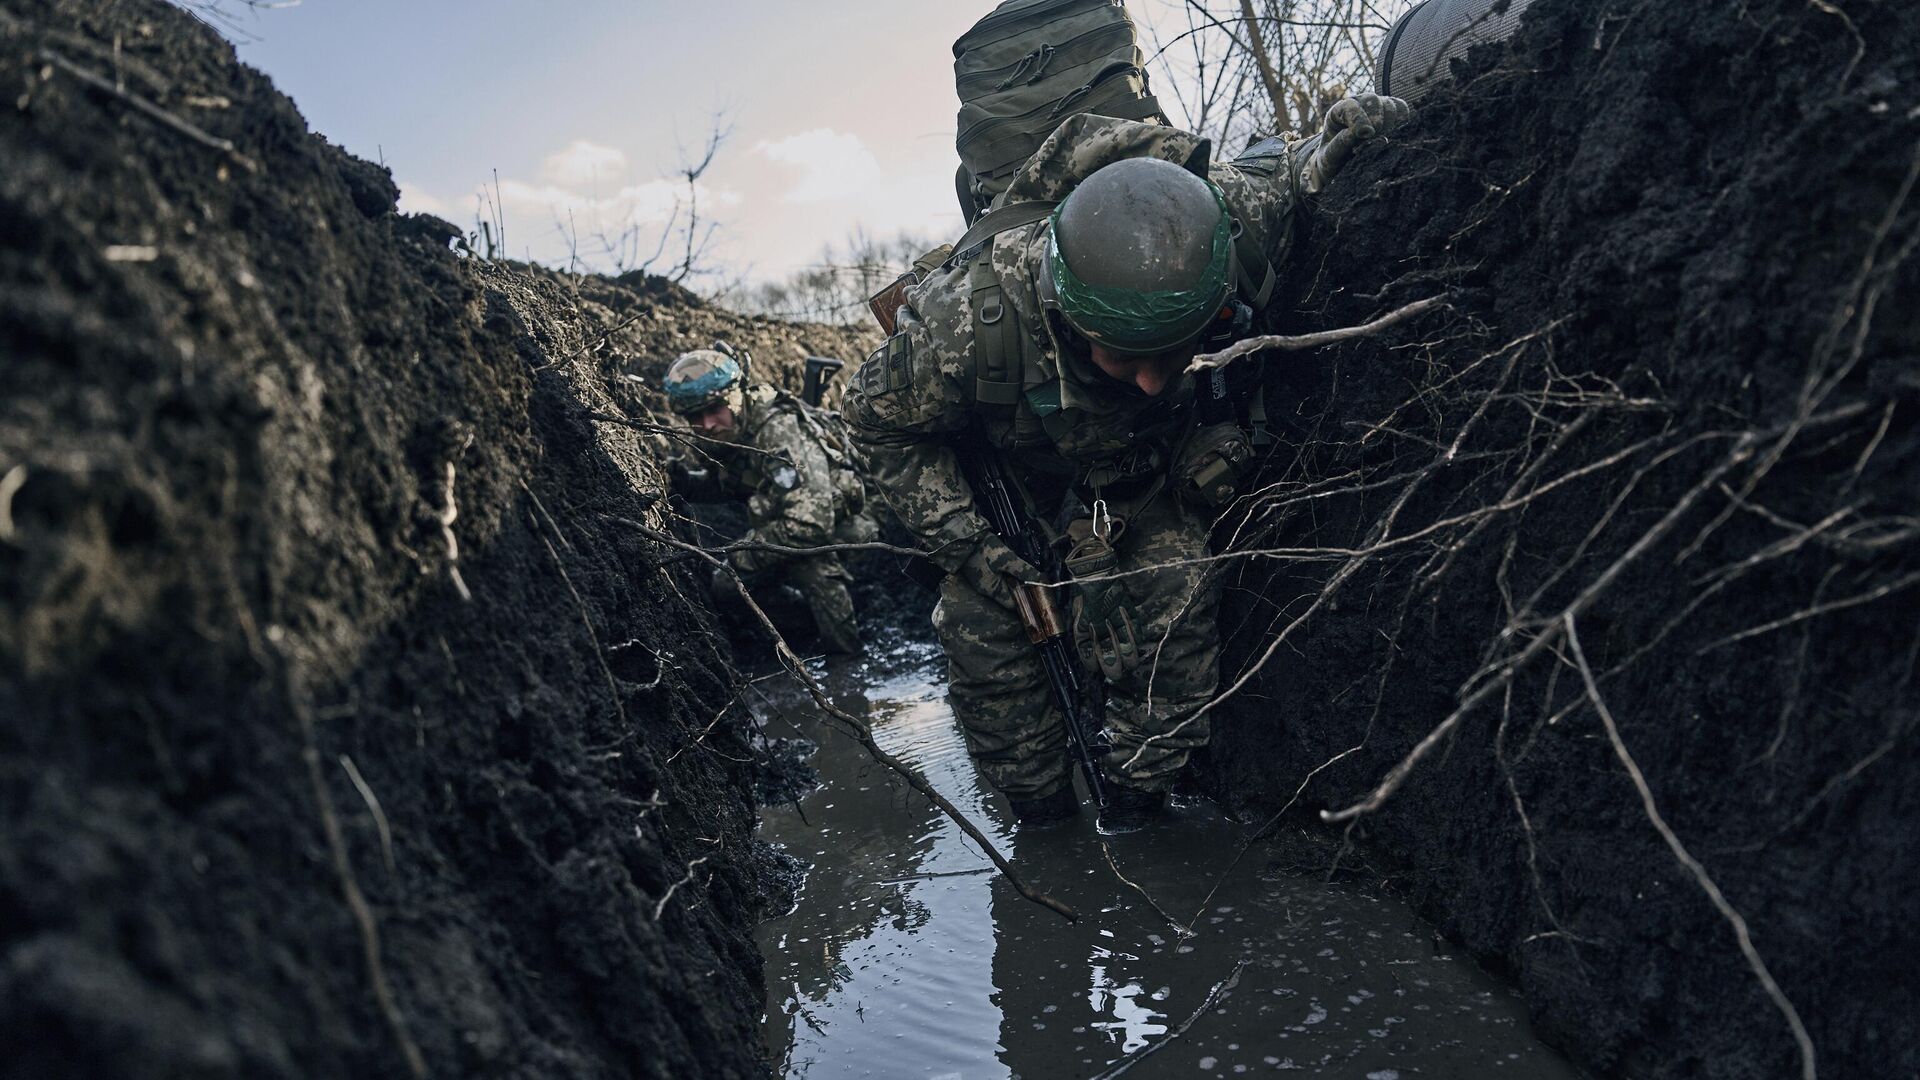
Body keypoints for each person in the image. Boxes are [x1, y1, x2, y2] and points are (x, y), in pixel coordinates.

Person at [844, 95, 1410, 831]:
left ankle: (1139, 809)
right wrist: (974, 547)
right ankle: (1042, 822)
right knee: (985, 637)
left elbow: (1294, 170)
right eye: (1124, 358)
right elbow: (873, 423)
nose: (1150, 382)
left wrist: (1340, 141)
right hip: (1022, 494)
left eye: (1172, 355)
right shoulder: (965, 325)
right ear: (1066, 315)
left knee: (1177, 602)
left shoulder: (1228, 227)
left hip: (1148, 483)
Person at [663, 345, 876, 654]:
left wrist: (743, 553)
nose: (707, 424)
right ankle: (805, 627)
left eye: (714, 410)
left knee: (811, 565)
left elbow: (811, 525)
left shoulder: (776, 431)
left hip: (850, 523)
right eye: (695, 416)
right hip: (791, 520)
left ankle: (847, 660)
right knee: (726, 585)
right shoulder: (731, 431)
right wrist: (689, 485)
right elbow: (736, 484)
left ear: (735, 396)